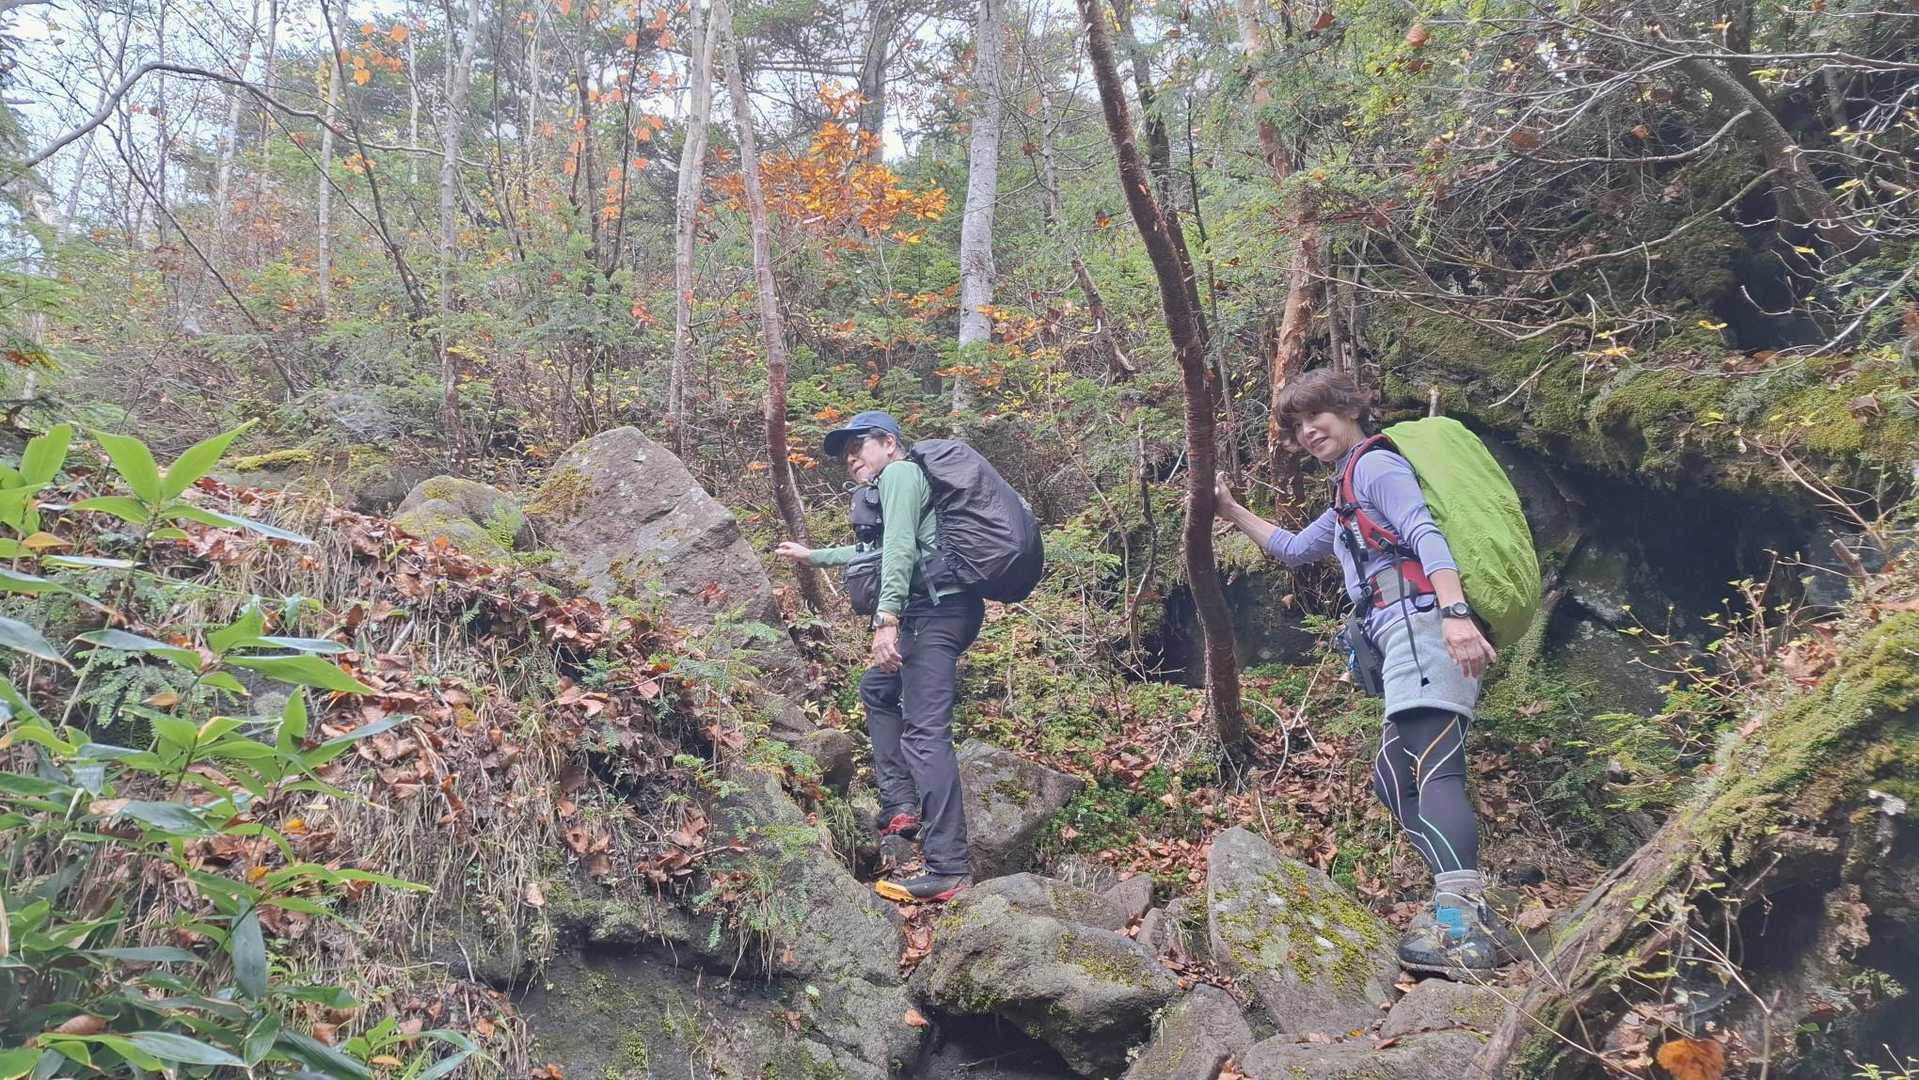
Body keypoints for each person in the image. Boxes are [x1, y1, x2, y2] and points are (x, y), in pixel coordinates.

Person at [1214, 370, 1516, 973]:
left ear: (1350, 410)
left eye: (1317, 416)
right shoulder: (1348, 491)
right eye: (1298, 426)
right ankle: (1464, 904)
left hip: (1424, 625)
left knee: (1434, 769)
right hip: (1401, 632)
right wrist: (1229, 509)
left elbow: (1424, 532)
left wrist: (1456, 615)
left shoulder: (1376, 467)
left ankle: (1462, 923)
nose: (1308, 431)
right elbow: (1295, 549)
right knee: (1393, 778)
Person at [774, 410, 982, 903]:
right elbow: (878, 549)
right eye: (845, 454)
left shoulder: (901, 474)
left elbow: (901, 549)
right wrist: (813, 556)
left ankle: (949, 868)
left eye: (857, 447)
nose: (850, 459)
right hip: (939, 609)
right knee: (878, 688)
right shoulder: (896, 484)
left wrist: (886, 619)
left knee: (926, 734)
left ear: (888, 443)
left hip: (936, 613)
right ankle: (901, 805)